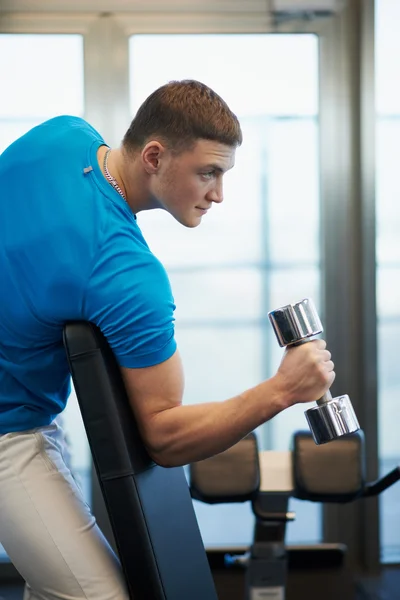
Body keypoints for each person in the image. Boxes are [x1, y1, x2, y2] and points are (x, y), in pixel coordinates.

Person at [0, 79, 335, 600]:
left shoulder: (62, 135)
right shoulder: (126, 273)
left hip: (23, 409)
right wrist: (283, 390)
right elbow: (165, 437)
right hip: (9, 428)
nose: (218, 193)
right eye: (208, 172)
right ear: (154, 155)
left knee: (53, 579)